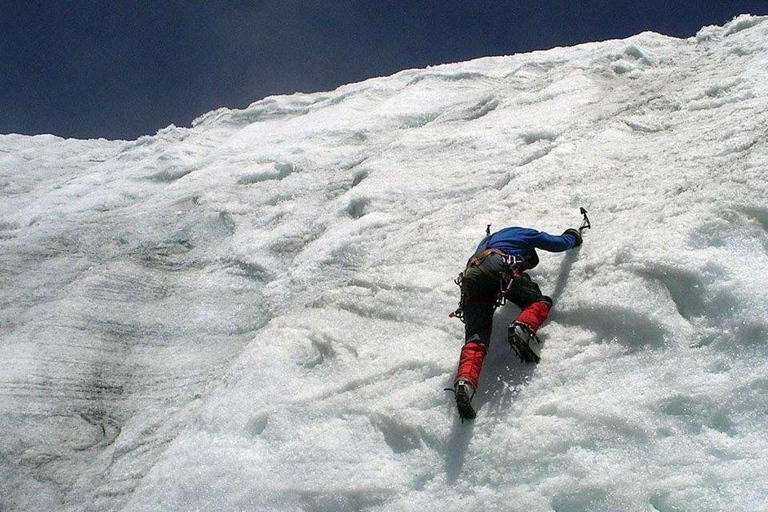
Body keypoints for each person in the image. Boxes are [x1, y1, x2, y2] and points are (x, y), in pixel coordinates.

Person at [451, 225, 582, 419]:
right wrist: (572, 237)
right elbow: (557, 244)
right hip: (497, 266)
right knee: (538, 301)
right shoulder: (525, 234)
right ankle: (523, 327)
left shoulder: (487, 242)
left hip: (471, 279)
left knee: (476, 338)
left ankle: (465, 383)